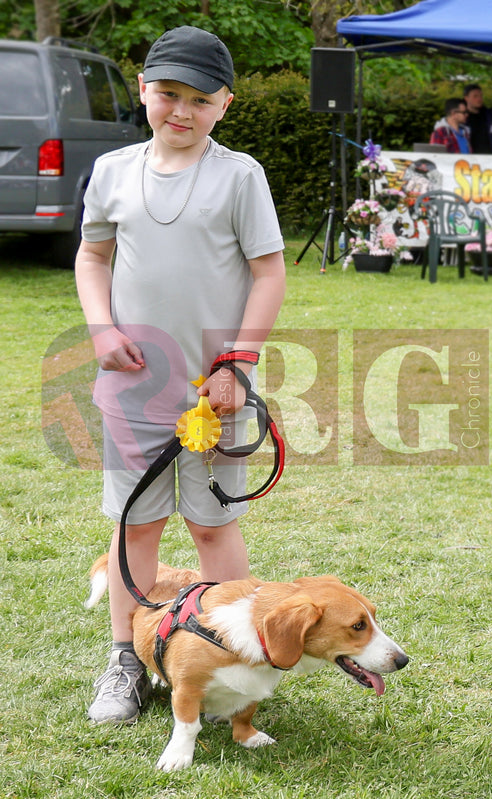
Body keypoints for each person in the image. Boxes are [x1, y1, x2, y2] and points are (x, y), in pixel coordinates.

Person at [75, 25, 286, 725]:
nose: (182, 111)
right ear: (143, 92)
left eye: (200, 99)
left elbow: (267, 271)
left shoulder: (240, 175)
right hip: (135, 384)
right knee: (137, 524)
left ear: (225, 104)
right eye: (168, 95)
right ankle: (125, 661)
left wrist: (237, 361)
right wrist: (102, 327)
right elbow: (93, 256)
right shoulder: (111, 172)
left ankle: (226, 650)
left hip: (215, 392)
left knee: (211, 528)